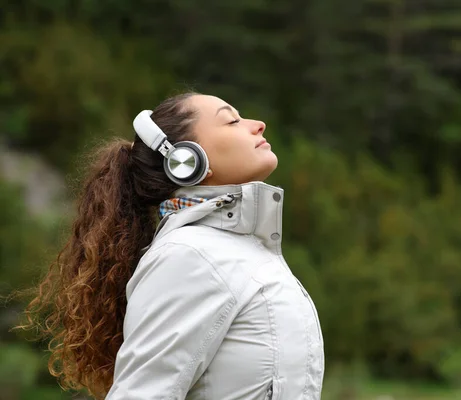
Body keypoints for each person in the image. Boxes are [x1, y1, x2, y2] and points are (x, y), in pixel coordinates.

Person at [18, 92, 325, 399]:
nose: (258, 125)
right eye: (231, 120)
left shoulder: (240, 249)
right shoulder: (190, 256)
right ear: (185, 161)